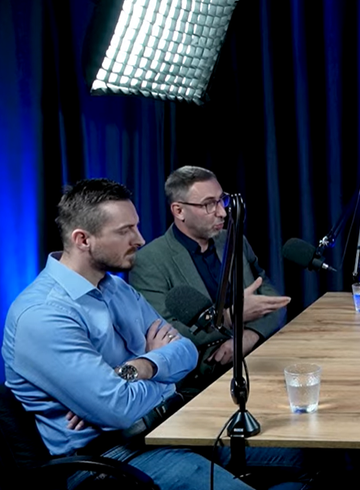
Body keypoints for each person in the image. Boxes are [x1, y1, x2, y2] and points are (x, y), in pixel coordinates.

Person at [1, 178, 267, 489]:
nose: (140, 239)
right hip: (110, 459)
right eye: (125, 231)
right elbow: (120, 410)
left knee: (306, 456)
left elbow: (186, 353)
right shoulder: (43, 315)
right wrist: (160, 378)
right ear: (83, 239)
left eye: (136, 226)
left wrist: (143, 366)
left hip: (165, 427)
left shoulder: (116, 288)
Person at [130, 166, 291, 394]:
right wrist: (230, 318)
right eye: (209, 205)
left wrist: (249, 336)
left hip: (257, 359)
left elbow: (273, 301)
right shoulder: (149, 261)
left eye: (221, 200)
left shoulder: (234, 240)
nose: (223, 212)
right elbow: (167, 335)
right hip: (199, 380)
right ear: (179, 211)